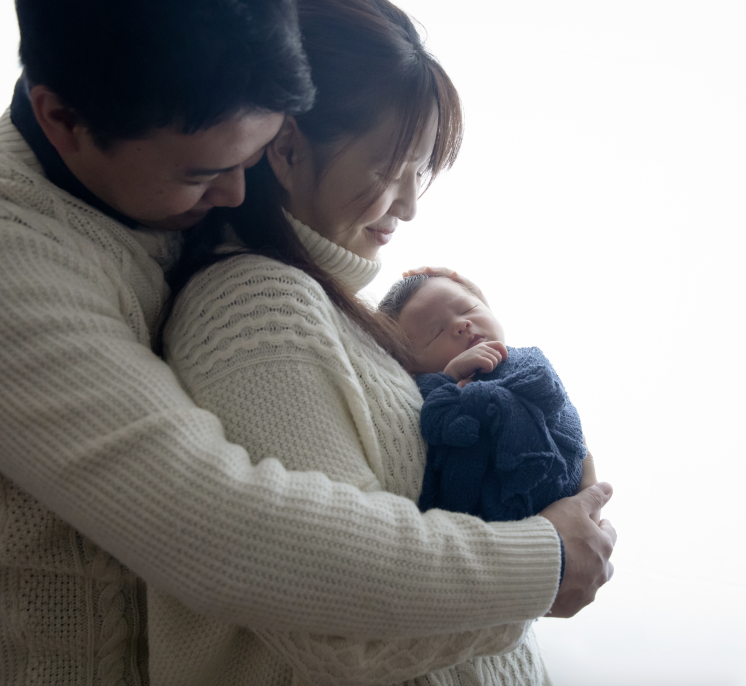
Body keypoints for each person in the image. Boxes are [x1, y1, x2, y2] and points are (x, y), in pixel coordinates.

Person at [0, 0, 614, 683]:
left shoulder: (163, 176)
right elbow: (228, 528)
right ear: (62, 119)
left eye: (256, 154)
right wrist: (543, 562)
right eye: (201, 172)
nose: (237, 192)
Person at [156, 2, 601, 683]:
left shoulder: (334, 311)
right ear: (287, 147)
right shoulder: (254, 304)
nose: (410, 204)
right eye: (391, 168)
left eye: (421, 173)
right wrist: (547, 561)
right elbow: (333, 617)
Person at [378, 273, 586, 522]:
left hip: (554, 478)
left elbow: (548, 393)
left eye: (467, 308)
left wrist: (481, 395)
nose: (461, 324)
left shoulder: (524, 358)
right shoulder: (423, 400)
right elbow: (433, 423)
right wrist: (448, 379)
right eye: (435, 332)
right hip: (483, 529)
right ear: (409, 369)